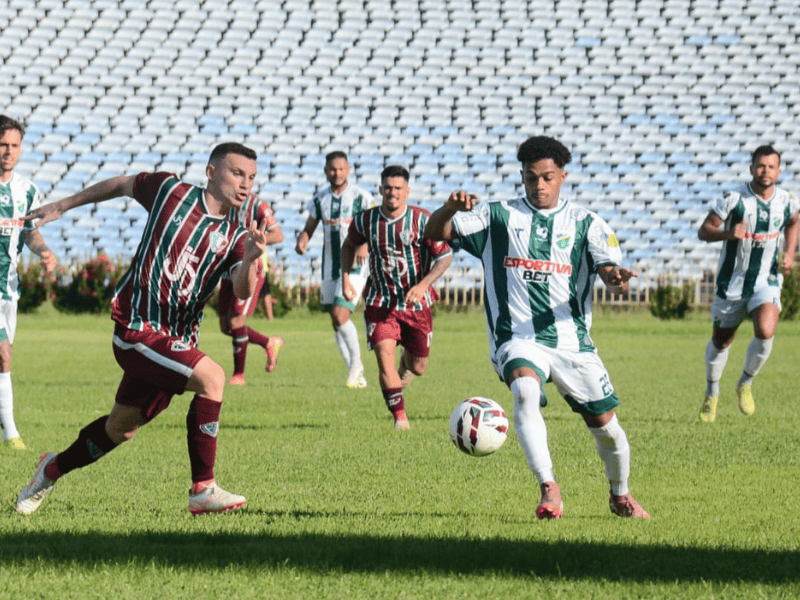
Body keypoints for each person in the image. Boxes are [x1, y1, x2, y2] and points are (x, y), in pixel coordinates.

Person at [16, 142, 268, 515]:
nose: (245, 184)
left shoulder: (235, 237)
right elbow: (120, 185)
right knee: (213, 378)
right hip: (136, 328)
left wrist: (250, 260)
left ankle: (50, 470)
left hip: (176, 342)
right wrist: (62, 205)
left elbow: (244, 290)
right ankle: (203, 489)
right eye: (236, 173)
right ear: (211, 172)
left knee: (120, 430)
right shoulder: (170, 191)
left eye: (250, 177)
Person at [425, 136, 650, 519]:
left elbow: (609, 269)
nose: (539, 186)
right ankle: (549, 488)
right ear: (522, 177)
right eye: (531, 178)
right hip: (516, 338)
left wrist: (616, 279)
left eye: (547, 177)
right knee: (526, 390)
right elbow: (435, 233)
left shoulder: (587, 223)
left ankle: (620, 494)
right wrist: (448, 207)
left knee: (607, 430)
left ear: (563, 175)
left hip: (572, 342)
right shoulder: (498, 216)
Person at [341, 165, 452, 430]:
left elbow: (444, 257)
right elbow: (348, 245)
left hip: (417, 306)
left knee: (419, 366)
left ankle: (407, 362)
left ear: (407, 191)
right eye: (388, 188)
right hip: (380, 302)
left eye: (398, 189)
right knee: (383, 358)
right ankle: (400, 419)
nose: (392, 193)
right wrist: (346, 278)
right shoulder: (365, 221)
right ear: (380, 190)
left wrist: (424, 285)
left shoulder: (423, 221)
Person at [698, 144, 799, 422]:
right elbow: (704, 231)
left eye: (770, 166)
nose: (765, 171)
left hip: (765, 281)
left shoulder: (787, 201)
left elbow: (793, 221)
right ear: (752, 168)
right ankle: (712, 392)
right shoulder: (734, 199)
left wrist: (789, 253)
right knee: (721, 342)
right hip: (731, 284)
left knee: (766, 330)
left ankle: (745, 383)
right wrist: (728, 233)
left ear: (778, 171)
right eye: (760, 165)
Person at [295, 151, 378, 388]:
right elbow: (309, 227)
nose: (337, 173)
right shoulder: (321, 199)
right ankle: (356, 374)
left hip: (356, 264)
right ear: (325, 171)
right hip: (330, 266)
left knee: (340, 315)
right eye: (332, 169)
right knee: (336, 321)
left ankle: (356, 366)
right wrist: (302, 240)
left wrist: (363, 244)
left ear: (349, 169)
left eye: (341, 169)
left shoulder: (361, 197)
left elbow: (373, 225)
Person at [0, 115, 57, 450]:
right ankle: (11, 433)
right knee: (3, 355)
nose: (8, 151)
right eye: (3, 144)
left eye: (14, 146)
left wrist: (44, 251)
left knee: (4, 356)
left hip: (9, 290)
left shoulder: (27, 192)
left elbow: (30, 233)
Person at [217, 193, 283, 385]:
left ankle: (239, 375)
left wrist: (253, 241)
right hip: (226, 268)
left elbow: (278, 235)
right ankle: (269, 342)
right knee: (225, 326)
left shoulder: (258, 206)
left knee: (237, 321)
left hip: (250, 267)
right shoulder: (223, 201)